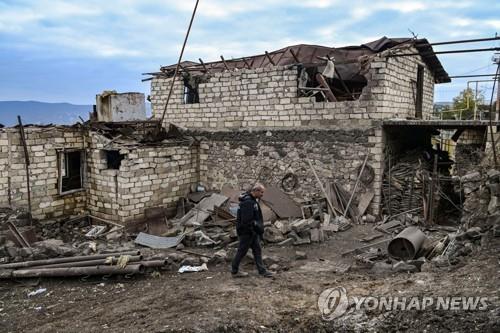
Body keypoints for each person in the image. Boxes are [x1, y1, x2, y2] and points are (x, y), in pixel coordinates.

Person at [231, 184, 273, 278]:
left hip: (252, 232)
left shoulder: (252, 201)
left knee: (257, 250)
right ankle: (235, 270)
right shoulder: (248, 202)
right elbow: (246, 220)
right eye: (261, 192)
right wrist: (253, 229)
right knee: (242, 251)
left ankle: (262, 271)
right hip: (247, 232)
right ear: (256, 191)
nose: (262, 194)